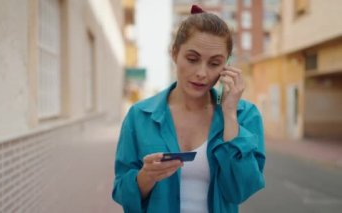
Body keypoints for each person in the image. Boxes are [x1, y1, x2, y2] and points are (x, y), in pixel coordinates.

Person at [112, 4, 265, 213]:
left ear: (226, 66)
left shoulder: (244, 115)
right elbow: (121, 193)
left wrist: (229, 115)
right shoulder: (139, 117)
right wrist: (146, 176)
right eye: (192, 59)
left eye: (214, 63)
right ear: (174, 53)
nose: (202, 73)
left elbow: (240, 191)